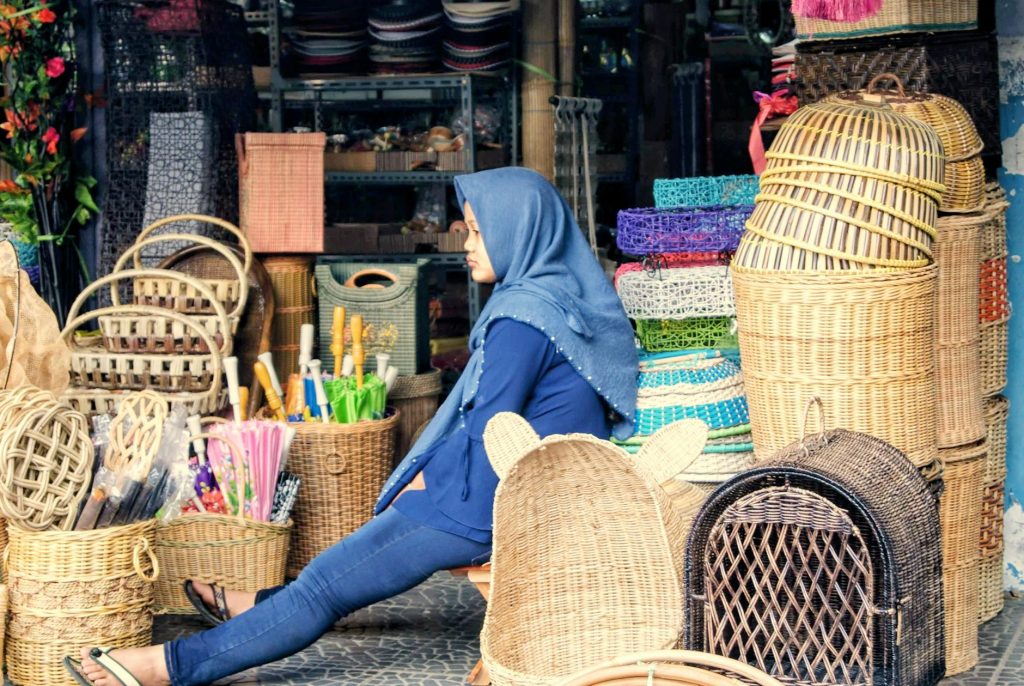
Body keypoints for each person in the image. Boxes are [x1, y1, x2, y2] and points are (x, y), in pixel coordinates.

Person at [65, 167, 639, 686]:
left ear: (520, 230)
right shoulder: (559, 296)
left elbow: (489, 430)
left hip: (486, 504)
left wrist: (428, 480)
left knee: (323, 588)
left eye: (476, 232)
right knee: (335, 571)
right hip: (531, 495)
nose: (466, 245)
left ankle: (169, 666)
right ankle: (259, 603)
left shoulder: (523, 317)